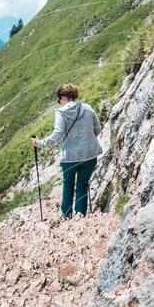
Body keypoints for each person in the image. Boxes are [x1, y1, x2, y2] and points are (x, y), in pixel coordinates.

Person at [32, 84, 103, 219]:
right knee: (83, 183)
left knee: (68, 184)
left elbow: (57, 134)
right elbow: (97, 128)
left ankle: (66, 215)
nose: (60, 102)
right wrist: (87, 140)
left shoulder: (61, 112)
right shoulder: (87, 108)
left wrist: (40, 143)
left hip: (70, 157)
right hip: (90, 154)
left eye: (60, 100)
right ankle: (80, 213)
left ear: (63, 97)